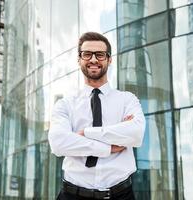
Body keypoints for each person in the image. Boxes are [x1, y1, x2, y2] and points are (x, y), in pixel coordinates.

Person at [48, 32, 146, 200]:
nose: (93, 60)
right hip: (73, 195)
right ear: (79, 59)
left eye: (100, 54)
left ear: (109, 59)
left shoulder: (127, 100)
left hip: (121, 195)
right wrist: (108, 147)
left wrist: (86, 133)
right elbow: (58, 143)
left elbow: (136, 134)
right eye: (87, 54)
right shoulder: (65, 104)